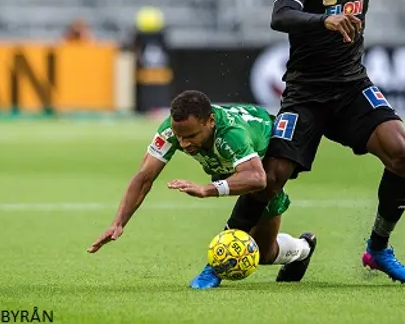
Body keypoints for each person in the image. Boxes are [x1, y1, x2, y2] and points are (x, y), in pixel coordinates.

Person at [207, 0, 405, 284]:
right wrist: (323, 20)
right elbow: (280, 16)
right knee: (271, 177)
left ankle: (378, 248)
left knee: (403, 153)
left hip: (352, 87)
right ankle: (217, 262)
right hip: (305, 94)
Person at [87, 90, 317, 289]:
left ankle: (214, 268)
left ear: (210, 122)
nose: (185, 144)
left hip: (267, 158)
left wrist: (206, 189)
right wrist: (118, 223)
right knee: (264, 254)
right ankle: (304, 248)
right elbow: (144, 177)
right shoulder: (173, 129)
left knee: (261, 220)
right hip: (233, 166)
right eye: (180, 137)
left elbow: (258, 178)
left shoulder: (231, 134)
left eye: (191, 136)